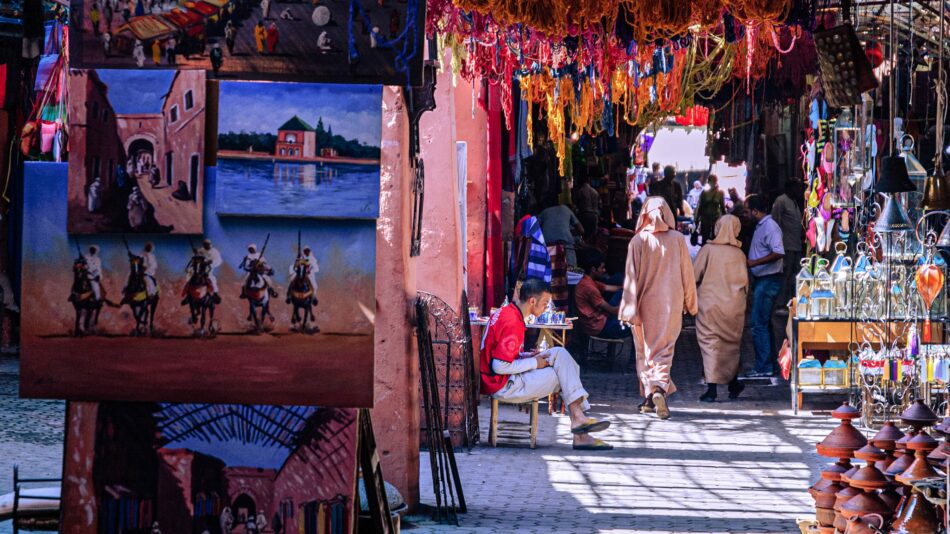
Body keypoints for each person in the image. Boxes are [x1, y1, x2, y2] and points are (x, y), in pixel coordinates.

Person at [480, 279, 613, 450]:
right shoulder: (512, 321)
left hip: (504, 378)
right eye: (544, 304)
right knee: (564, 374)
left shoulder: (508, 312)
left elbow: (503, 355)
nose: (545, 308)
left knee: (560, 354)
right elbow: (499, 366)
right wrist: (534, 362)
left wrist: (529, 356)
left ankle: (579, 421)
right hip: (503, 385)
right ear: (532, 301)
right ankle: (580, 427)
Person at [619, 197, 697, 420]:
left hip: (643, 307)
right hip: (670, 306)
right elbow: (687, 276)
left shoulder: (637, 241)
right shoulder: (678, 240)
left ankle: (648, 398)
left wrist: (627, 309)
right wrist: (691, 304)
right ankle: (659, 390)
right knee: (663, 351)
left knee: (643, 350)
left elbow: (630, 279)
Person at [693, 215, 748, 402]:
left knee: (710, 345)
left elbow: (694, 275)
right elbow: (746, 285)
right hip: (734, 306)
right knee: (732, 345)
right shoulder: (739, 254)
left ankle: (712, 389)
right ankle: (733, 383)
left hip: (709, 305)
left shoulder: (708, 250)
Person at [743, 194, 785, 378]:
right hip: (763, 279)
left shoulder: (770, 226)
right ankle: (771, 364)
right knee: (764, 322)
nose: (746, 214)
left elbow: (778, 252)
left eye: (747, 210)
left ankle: (764, 366)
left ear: (755, 211)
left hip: (769, 279)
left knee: (758, 323)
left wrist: (755, 263)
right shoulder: (762, 226)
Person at [575, 251, 626, 341]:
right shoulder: (590, 288)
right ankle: (637, 355)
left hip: (599, 321)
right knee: (638, 327)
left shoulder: (586, 281)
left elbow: (609, 287)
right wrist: (626, 300)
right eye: (602, 268)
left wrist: (628, 288)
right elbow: (613, 310)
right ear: (593, 269)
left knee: (619, 281)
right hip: (599, 327)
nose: (604, 270)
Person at [772, 179, 804, 305]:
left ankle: (791, 302)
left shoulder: (795, 203)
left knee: (794, 276)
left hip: (796, 246)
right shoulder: (781, 201)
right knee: (785, 276)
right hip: (786, 246)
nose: (798, 190)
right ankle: (781, 303)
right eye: (796, 187)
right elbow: (775, 223)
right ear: (790, 188)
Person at [536, 201, 584, 267]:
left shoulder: (544, 212)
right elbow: (581, 230)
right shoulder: (566, 209)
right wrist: (569, 232)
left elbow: (535, 229)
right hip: (566, 245)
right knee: (571, 270)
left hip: (549, 245)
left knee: (551, 270)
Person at [694, 174, 725, 244]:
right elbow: (700, 206)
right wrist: (696, 219)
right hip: (705, 219)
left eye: (714, 181)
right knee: (705, 239)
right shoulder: (704, 193)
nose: (712, 183)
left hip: (716, 219)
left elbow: (723, 207)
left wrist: (725, 219)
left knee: (715, 239)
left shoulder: (720, 193)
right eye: (711, 181)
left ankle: (713, 253)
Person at [573, 175, 600, 240]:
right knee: (592, 235)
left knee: (584, 234)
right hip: (594, 215)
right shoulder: (595, 192)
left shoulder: (580, 191)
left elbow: (576, 203)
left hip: (584, 214)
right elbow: (600, 205)